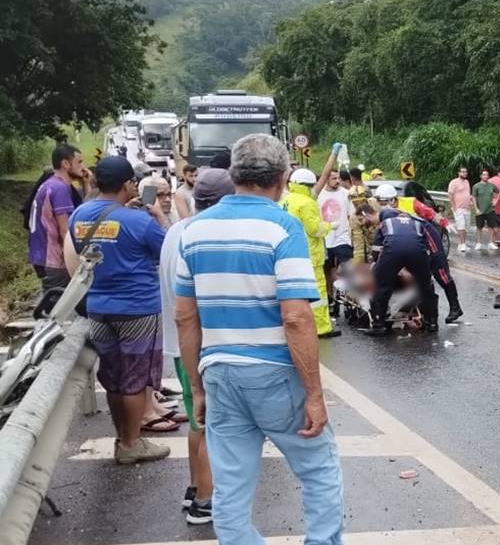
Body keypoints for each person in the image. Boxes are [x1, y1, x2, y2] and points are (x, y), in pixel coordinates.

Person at [174, 134, 344, 544]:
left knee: (231, 489)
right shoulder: (281, 225)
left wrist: (195, 386)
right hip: (273, 373)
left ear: (234, 175)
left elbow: (185, 316)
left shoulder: (193, 231)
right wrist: (315, 395)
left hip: (218, 372)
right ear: (282, 178)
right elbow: (297, 318)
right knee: (319, 470)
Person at [62, 156, 171, 464]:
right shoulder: (139, 220)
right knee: (135, 379)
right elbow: (169, 250)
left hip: (97, 307)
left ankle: (122, 439)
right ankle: (132, 443)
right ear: (127, 185)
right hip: (138, 308)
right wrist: (157, 218)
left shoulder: (79, 215)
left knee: (112, 376)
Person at [160, 168, 234, 524]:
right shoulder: (204, 233)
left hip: (180, 344)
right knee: (210, 424)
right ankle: (205, 501)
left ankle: (195, 487)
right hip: (202, 346)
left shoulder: (176, 230)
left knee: (197, 421)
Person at [281, 143, 342, 338]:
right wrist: (330, 226)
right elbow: (315, 229)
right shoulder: (307, 202)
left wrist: (333, 153)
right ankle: (321, 328)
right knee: (319, 293)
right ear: (307, 186)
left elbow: (323, 178)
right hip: (310, 255)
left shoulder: (286, 200)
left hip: (290, 254)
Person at [377, 186, 463, 324]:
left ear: (393, 200)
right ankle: (423, 311)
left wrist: (444, 222)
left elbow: (429, 212)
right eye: (380, 202)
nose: (382, 205)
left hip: (428, 239)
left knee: (440, 273)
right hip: (413, 246)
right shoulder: (384, 212)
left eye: (384, 202)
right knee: (419, 276)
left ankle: (454, 307)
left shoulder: (409, 203)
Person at [361, 185, 439, 335]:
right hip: (418, 253)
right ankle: (432, 323)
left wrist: (379, 269)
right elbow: (426, 247)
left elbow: (377, 252)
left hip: (393, 252)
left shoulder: (384, 224)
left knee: (382, 286)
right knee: (426, 287)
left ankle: (379, 325)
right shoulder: (417, 223)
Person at [28, 144, 85, 293]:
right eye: (79, 162)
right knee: (60, 308)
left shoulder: (49, 184)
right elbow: (65, 231)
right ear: (66, 164)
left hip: (40, 254)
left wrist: (86, 185)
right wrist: (75, 260)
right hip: (53, 258)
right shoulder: (60, 188)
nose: (83, 167)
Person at [318, 169, 353, 316]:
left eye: (338, 178)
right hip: (325, 238)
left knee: (348, 269)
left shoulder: (345, 194)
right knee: (327, 271)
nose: (337, 181)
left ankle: (351, 300)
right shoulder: (319, 195)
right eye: (333, 178)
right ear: (326, 179)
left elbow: (351, 214)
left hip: (342, 237)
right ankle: (331, 299)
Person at [472, 170, 499, 251]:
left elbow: (498, 192)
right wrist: (476, 208)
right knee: (479, 227)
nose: (486, 176)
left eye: (487, 175)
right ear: (481, 176)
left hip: (490, 209)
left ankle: (490, 243)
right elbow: (474, 197)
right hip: (480, 210)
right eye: (484, 175)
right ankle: (478, 243)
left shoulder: (491, 185)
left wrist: (495, 200)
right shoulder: (476, 186)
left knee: (491, 226)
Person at [447, 167, 472, 253]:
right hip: (458, 208)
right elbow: (450, 194)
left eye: (466, 172)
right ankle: (462, 244)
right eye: (463, 172)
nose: (465, 173)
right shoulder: (454, 182)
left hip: (467, 208)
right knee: (461, 226)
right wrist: (453, 207)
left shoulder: (467, 182)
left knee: (466, 227)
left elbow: (467, 194)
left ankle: (463, 243)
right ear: (459, 173)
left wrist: (470, 202)